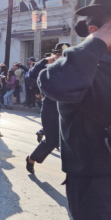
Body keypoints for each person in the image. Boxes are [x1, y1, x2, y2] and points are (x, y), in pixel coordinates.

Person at [38, 0, 111, 220]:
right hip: (102, 188)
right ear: (96, 31)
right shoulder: (81, 68)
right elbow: (57, 84)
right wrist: (94, 43)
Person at [25, 44, 69, 174]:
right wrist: (44, 61)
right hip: (51, 107)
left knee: (70, 141)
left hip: (69, 108)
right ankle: (31, 159)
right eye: (59, 54)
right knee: (52, 141)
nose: (62, 56)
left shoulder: (73, 67)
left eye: (65, 53)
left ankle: (72, 172)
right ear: (54, 55)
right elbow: (31, 75)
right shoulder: (47, 67)